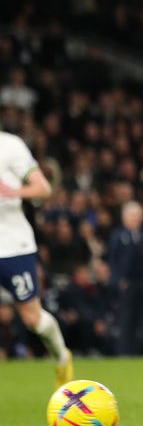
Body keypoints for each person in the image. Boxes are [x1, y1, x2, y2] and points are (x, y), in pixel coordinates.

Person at [0, 129, 74, 383]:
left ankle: (62, 357)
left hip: (12, 245)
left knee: (32, 318)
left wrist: (12, 192)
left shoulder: (10, 146)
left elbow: (43, 189)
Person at [107, 201, 143, 355]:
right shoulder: (119, 237)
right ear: (124, 217)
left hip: (142, 283)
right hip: (125, 284)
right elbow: (113, 260)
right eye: (132, 215)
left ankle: (138, 352)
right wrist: (119, 280)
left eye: (138, 215)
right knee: (125, 319)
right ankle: (123, 352)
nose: (136, 219)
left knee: (140, 318)